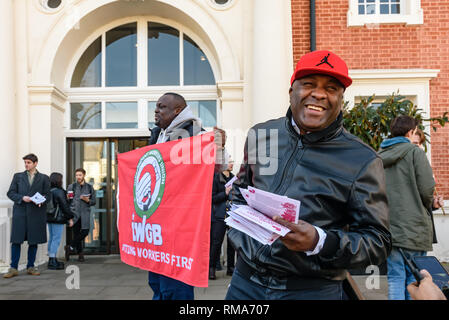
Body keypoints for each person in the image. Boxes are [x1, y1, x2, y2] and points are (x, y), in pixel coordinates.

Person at [226, 50, 392, 300]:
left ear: (340, 98)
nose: (319, 94)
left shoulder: (362, 160)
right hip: (245, 283)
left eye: (332, 88)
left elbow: (377, 241)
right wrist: (242, 240)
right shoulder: (260, 135)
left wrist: (320, 241)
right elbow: (239, 195)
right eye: (309, 84)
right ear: (291, 90)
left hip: (311, 291)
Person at [378, 116, 436, 300]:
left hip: (388, 226)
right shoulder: (415, 152)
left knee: (395, 278)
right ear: (410, 132)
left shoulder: (378, 155)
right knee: (414, 278)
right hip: (414, 227)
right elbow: (427, 189)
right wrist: (428, 203)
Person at [4, 154, 50, 278]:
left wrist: (41, 200)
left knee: (33, 241)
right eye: (25, 162)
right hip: (20, 212)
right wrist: (22, 198)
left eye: (29, 162)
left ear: (35, 163)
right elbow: (10, 193)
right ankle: (13, 268)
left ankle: (31, 266)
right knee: (16, 241)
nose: (26, 165)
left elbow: (47, 195)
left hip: (36, 213)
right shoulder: (18, 176)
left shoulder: (44, 178)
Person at [209, 150, 234, 280]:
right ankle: (211, 269)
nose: (232, 164)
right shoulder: (216, 178)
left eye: (232, 162)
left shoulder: (234, 177)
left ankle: (231, 268)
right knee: (216, 243)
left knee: (232, 244)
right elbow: (212, 198)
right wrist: (225, 192)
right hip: (218, 216)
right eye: (229, 162)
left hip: (232, 216)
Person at [65, 168, 96, 262]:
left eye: (80, 175)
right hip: (75, 214)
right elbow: (68, 201)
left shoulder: (90, 187)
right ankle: (80, 254)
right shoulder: (72, 186)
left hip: (85, 214)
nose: (78, 177)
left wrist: (88, 200)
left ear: (84, 175)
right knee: (76, 234)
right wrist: (67, 197)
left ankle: (70, 247)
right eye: (77, 175)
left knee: (85, 232)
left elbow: (94, 201)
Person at [47, 172, 74, 270]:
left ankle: (51, 258)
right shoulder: (59, 191)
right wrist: (70, 217)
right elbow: (65, 207)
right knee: (56, 239)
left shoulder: (48, 190)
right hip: (58, 218)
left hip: (49, 217)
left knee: (52, 238)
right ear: (59, 180)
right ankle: (52, 260)